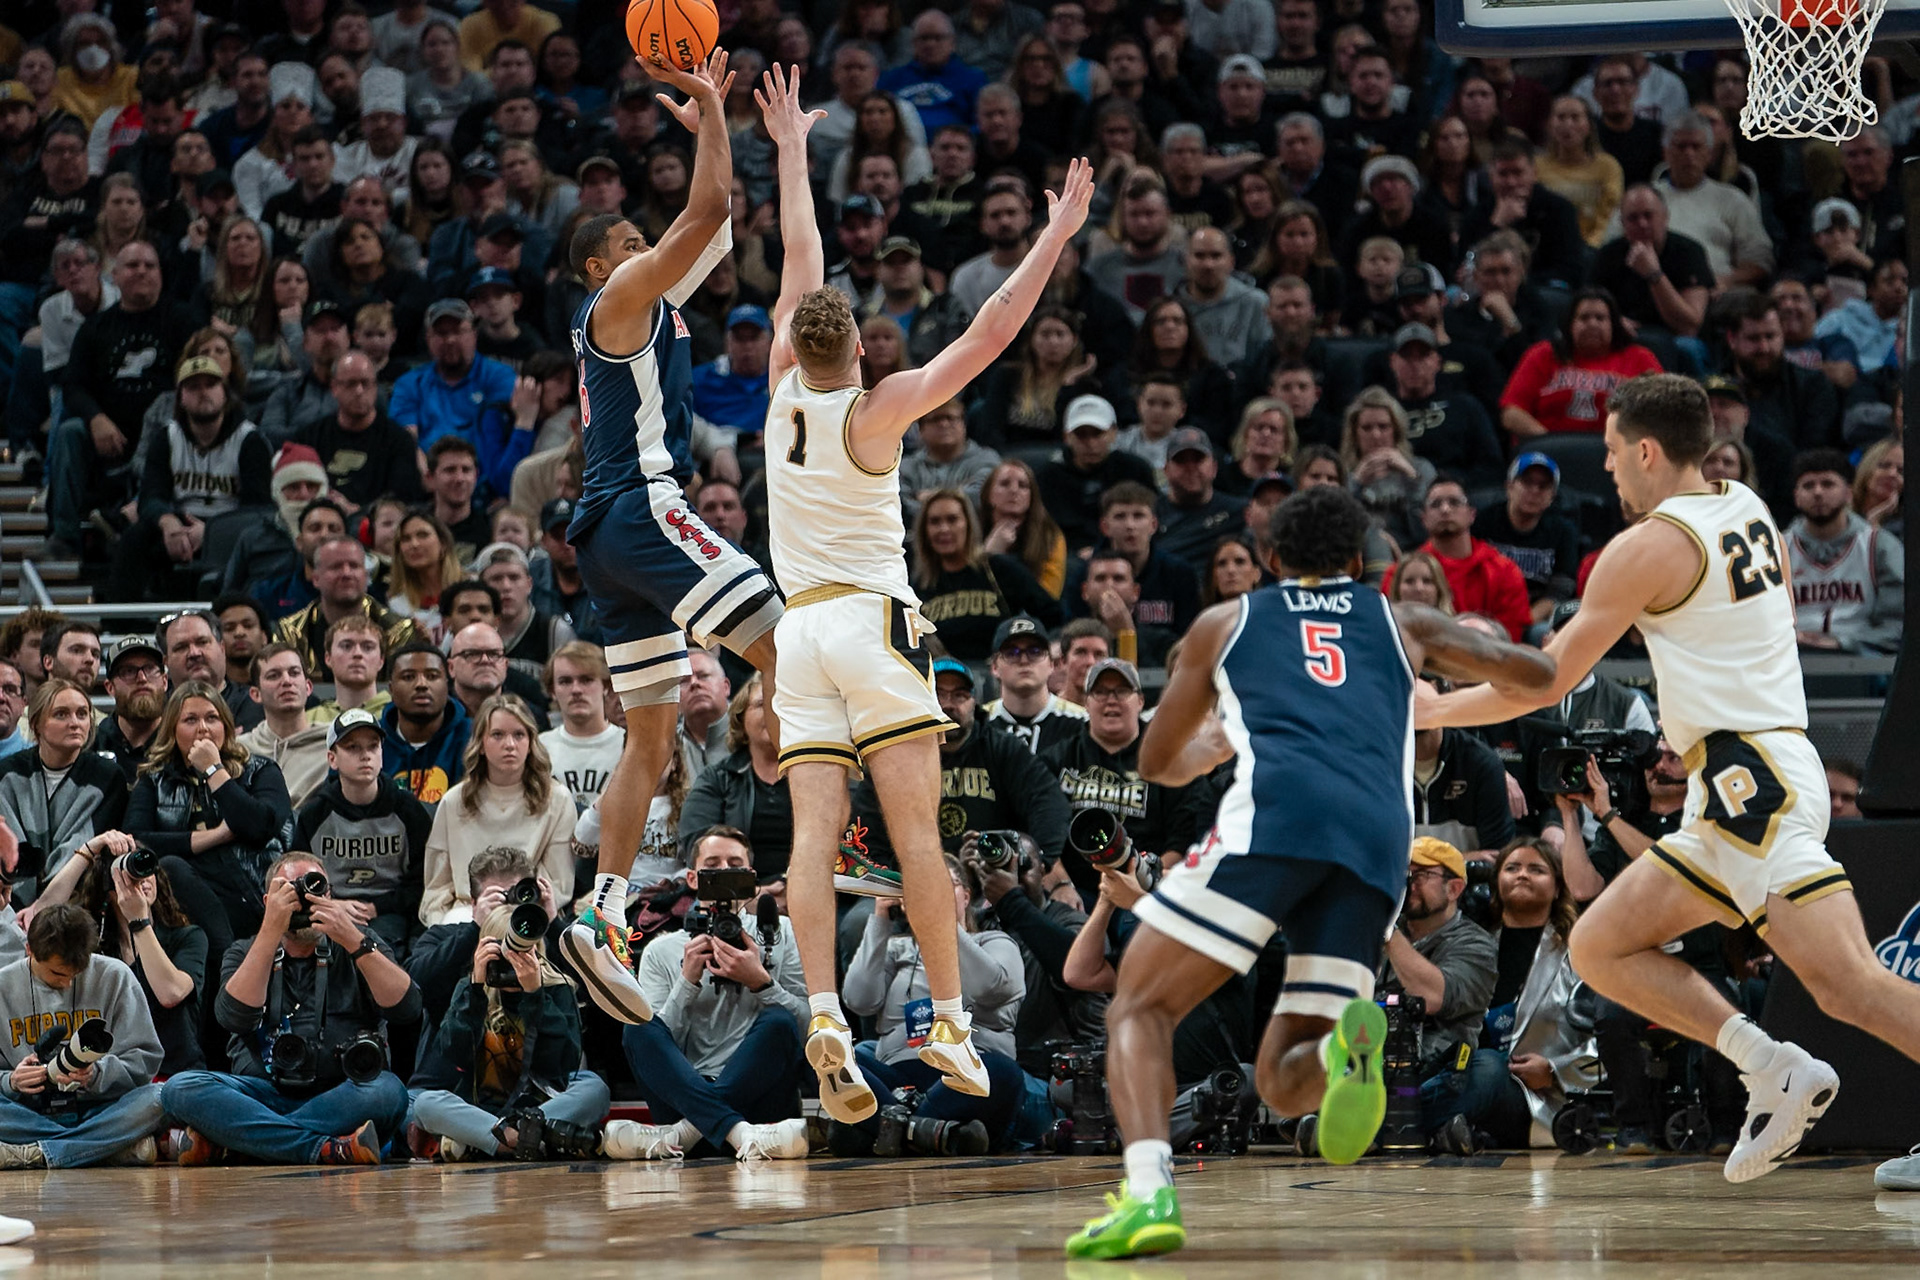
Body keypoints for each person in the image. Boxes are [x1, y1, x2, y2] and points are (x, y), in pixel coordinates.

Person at [1421, 372, 1920, 1184]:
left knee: (1849, 984)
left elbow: (1547, 679)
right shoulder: (1746, 505)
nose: (1608, 466)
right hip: (1735, 780)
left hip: (1750, 782)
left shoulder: (1649, 546)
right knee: (1600, 945)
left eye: (1613, 450)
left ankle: (1778, 1069)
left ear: (1648, 450)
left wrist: (1434, 706)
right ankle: (1771, 1068)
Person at [1066, 484, 1552, 1257]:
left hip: (1278, 820)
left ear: (1268, 558)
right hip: (1377, 846)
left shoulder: (1226, 621)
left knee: (1138, 1007)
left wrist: (1215, 743)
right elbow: (1537, 672)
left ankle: (1150, 1194)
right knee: (1280, 1078)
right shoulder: (1405, 621)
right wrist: (1441, 704)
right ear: (1360, 560)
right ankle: (1337, 1057)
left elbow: (1156, 762)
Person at [756, 63, 1090, 1123]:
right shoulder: (880, 405)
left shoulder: (776, 388)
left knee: (813, 841)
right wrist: (1055, 235)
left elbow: (800, 259)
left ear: (793, 341)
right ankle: (949, 1019)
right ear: (859, 346)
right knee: (916, 837)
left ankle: (821, 1007)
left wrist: (793, 150)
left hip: (797, 632)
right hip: (870, 619)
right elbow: (990, 330)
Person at [556, 53, 785, 1028]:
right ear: (600, 265)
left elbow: (717, 224)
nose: (648, 246)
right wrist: (711, 109)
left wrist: (708, 135)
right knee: (787, 641)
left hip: (606, 541)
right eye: (630, 241)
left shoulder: (647, 301)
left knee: (647, 738)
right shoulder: (617, 301)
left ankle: (600, 912)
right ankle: (844, 819)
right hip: (643, 508)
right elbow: (706, 213)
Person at [159, 852, 420, 1165]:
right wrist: (271, 931)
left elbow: (407, 1008)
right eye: (289, 891)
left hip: (344, 1093)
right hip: (264, 1095)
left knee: (387, 1092)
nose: (304, 900)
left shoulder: (360, 942)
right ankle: (328, 1147)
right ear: (268, 901)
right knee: (180, 1088)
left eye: (314, 888)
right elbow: (234, 1018)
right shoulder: (245, 950)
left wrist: (352, 937)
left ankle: (240, 1144)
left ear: (330, 895)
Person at [611, 827, 811, 1162]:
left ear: (751, 878)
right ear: (692, 878)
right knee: (639, 1027)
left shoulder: (783, 933)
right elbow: (655, 1048)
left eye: (735, 864)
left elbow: (806, 1031)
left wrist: (762, 984)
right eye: (713, 865)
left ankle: (684, 1134)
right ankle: (738, 1133)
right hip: (687, 1095)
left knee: (780, 1020)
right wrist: (686, 983)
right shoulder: (662, 950)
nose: (724, 872)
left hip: (760, 1096)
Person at [408, 900, 607, 1162]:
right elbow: (454, 1056)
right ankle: (534, 1140)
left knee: (595, 1087)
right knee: (425, 1103)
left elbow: (560, 1064)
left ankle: (494, 1141)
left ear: (536, 950)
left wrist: (535, 995)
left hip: (544, 1107)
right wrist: (476, 990)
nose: (511, 962)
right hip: (483, 1111)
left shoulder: (558, 989)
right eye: (503, 954)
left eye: (520, 952)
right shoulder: (470, 990)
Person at [126, 682, 293, 944]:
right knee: (171, 867)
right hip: (186, 898)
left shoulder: (260, 770)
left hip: (253, 889)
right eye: (190, 719)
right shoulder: (154, 781)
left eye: (212, 718)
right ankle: (229, 959)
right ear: (172, 729)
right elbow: (135, 840)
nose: (203, 728)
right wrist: (217, 835)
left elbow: (262, 826)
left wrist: (214, 770)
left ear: (225, 725)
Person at [0, 905, 165, 1170]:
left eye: (77, 973)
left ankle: (38, 1152)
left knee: (160, 1096)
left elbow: (145, 1059)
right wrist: (11, 1081)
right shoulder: (3, 985)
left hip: (99, 1107)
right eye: (57, 973)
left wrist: (97, 1074)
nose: (67, 983)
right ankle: (106, 1148)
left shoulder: (116, 976)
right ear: (29, 950)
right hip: (30, 1111)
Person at [292, 709, 430, 957]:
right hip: (330, 910)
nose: (365, 755)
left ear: (382, 754)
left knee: (384, 952)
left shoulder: (408, 810)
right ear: (332, 759)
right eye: (352, 747)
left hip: (390, 913)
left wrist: (377, 907)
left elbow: (422, 880)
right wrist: (331, 904)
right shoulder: (314, 814)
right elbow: (299, 878)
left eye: (373, 746)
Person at [70, 847, 209, 1076]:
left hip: (178, 1076)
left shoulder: (187, 937)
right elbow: (42, 920)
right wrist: (89, 849)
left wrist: (139, 922)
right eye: (130, 874)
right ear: (108, 888)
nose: (142, 879)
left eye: (146, 870)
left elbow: (171, 993)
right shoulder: (97, 950)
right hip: (117, 1076)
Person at [0, 680, 131, 904]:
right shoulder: (8, 774)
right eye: (61, 714)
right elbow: (12, 852)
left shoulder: (107, 777)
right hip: (10, 901)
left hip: (78, 899)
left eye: (82, 714)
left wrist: (44, 906)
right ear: (36, 724)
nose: (75, 723)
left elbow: (82, 844)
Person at [1382, 477, 1532, 643]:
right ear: (1423, 518)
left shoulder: (1504, 571)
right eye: (1435, 504)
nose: (1445, 509)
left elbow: (1510, 637)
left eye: (1454, 502)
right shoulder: (1400, 574)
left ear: (1472, 514)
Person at [1783, 450, 1904, 654]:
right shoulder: (1777, 549)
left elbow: (1897, 625)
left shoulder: (1879, 546)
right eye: (1808, 485)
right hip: (1792, 656)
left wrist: (1844, 643)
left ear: (1848, 493)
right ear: (1796, 496)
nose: (1818, 492)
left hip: (1863, 660)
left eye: (1828, 484)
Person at [1499, 289, 1661, 439]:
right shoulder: (1542, 354)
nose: (1592, 324)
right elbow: (1511, 413)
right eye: (1584, 318)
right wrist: (1550, 444)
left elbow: (1662, 411)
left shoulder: (1640, 358)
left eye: (1600, 318)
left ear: (1613, 325)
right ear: (1569, 324)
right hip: (1549, 451)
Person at [1473, 454, 1582, 629]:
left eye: (1543, 486)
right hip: (1487, 611)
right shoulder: (1482, 522)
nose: (1534, 491)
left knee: (1542, 632)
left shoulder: (1563, 531)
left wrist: (1523, 620)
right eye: (1527, 482)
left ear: (1552, 496)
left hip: (1535, 616)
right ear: (1509, 487)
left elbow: (1560, 591)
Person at [239, 645, 330, 810]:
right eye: (274, 676)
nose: (287, 681)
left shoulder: (333, 744)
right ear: (256, 694)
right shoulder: (240, 750)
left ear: (308, 687)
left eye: (294, 673)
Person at [981, 616, 1088, 754]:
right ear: (994, 666)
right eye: (1011, 653)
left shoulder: (1082, 723)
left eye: (1035, 652)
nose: (1024, 660)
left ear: (1051, 664)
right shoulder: (977, 726)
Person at [539, 643, 624, 812]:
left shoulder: (629, 746)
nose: (576, 690)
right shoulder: (539, 748)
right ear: (552, 691)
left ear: (606, 686)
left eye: (586, 680)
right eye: (565, 681)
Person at [93, 636, 170, 786]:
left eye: (150, 669)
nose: (142, 678)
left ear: (165, 681)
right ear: (110, 687)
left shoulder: (180, 743)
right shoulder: (93, 745)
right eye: (128, 671)